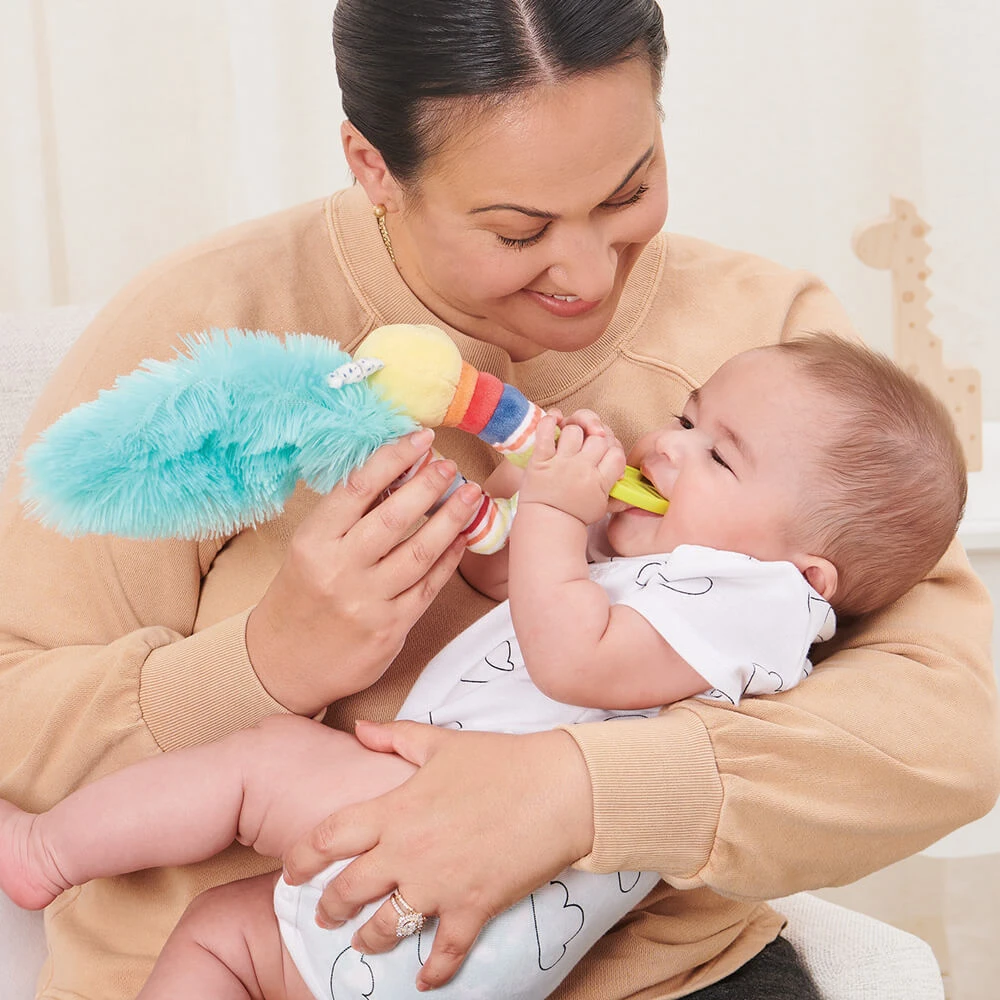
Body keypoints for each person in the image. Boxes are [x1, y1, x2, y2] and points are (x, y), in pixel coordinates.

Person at [0, 1, 996, 997]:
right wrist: (267, 661)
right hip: (260, 957)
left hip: (653, 977)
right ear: (372, 166)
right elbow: (17, 708)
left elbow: (944, 723)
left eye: (629, 190)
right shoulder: (211, 332)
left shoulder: (779, 357)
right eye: (519, 230)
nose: (589, 273)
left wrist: (574, 792)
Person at [0, 333, 972, 1000]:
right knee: (223, 935)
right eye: (685, 418)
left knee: (263, 762)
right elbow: (508, 575)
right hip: (444, 919)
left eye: (718, 458)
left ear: (810, 573)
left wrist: (557, 512)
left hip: (486, 866)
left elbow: (572, 655)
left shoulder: (755, 608)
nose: (667, 449)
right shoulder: (671, 568)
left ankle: (43, 854)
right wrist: (520, 485)